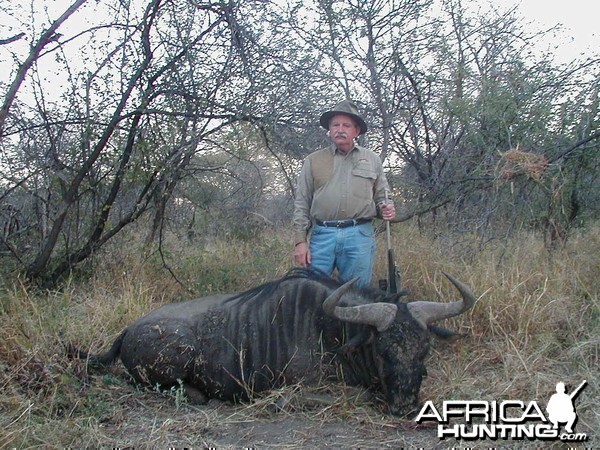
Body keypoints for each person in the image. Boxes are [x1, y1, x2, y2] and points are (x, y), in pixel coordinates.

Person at [292, 100, 395, 287]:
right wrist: (300, 242)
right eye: (335, 125)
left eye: (346, 125)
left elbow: (383, 195)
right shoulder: (313, 160)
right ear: (329, 130)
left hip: (359, 235)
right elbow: (302, 202)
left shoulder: (372, 159)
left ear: (356, 131)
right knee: (313, 292)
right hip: (322, 236)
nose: (340, 129)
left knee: (357, 295)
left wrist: (386, 208)